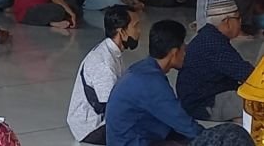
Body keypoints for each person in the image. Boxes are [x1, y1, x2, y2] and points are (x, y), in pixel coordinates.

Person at [105, 19, 251, 145]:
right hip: (136, 142)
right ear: (175, 52)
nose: (185, 53)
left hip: (137, 138)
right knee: (233, 134)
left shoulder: (144, 70)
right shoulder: (151, 82)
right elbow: (185, 125)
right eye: (184, 49)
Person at [67, 6, 141, 145]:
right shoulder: (103, 63)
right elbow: (113, 109)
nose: (139, 31)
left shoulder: (112, 52)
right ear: (122, 32)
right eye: (136, 26)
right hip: (90, 128)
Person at [177, 0, 254, 122]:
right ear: (227, 22)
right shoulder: (214, 44)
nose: (241, 22)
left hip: (204, 94)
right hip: (203, 103)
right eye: (238, 18)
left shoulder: (209, 36)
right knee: (256, 104)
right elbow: (247, 74)